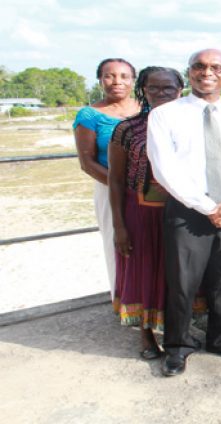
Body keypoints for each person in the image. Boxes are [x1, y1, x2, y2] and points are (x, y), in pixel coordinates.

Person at [147, 49, 221, 377]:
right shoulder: (165, 115)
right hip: (187, 210)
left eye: (216, 67)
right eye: (199, 66)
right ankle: (179, 347)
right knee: (182, 281)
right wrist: (210, 207)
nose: (206, 72)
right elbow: (164, 169)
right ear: (189, 72)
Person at [108, 66, 184, 359]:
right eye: (154, 88)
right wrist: (119, 226)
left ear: (180, 91)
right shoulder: (128, 129)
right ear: (143, 90)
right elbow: (115, 179)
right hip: (141, 212)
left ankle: (178, 331)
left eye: (169, 89)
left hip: (182, 210)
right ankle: (146, 335)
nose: (162, 94)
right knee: (145, 270)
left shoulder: (188, 126)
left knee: (178, 271)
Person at [74, 58, 140, 298]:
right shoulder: (90, 115)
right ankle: (124, 300)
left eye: (124, 76)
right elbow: (87, 163)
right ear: (100, 80)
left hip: (149, 190)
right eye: (109, 76)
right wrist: (122, 187)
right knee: (119, 243)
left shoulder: (146, 109)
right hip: (109, 187)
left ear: (133, 80)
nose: (117, 82)